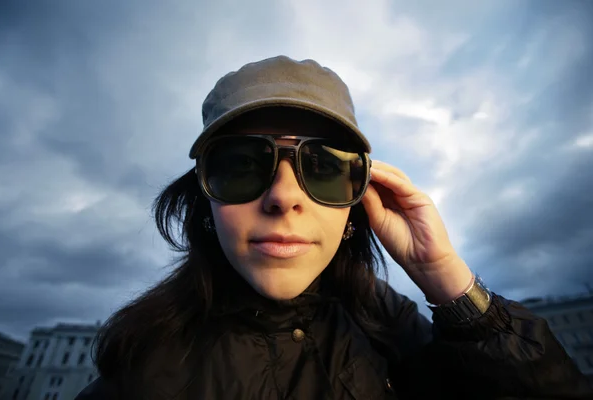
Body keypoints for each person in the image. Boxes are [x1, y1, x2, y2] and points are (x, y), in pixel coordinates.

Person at [75, 56, 593, 400]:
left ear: (356, 203)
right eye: (240, 165)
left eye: (321, 166)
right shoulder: (139, 369)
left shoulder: (388, 325)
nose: (282, 197)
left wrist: (444, 277)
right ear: (204, 199)